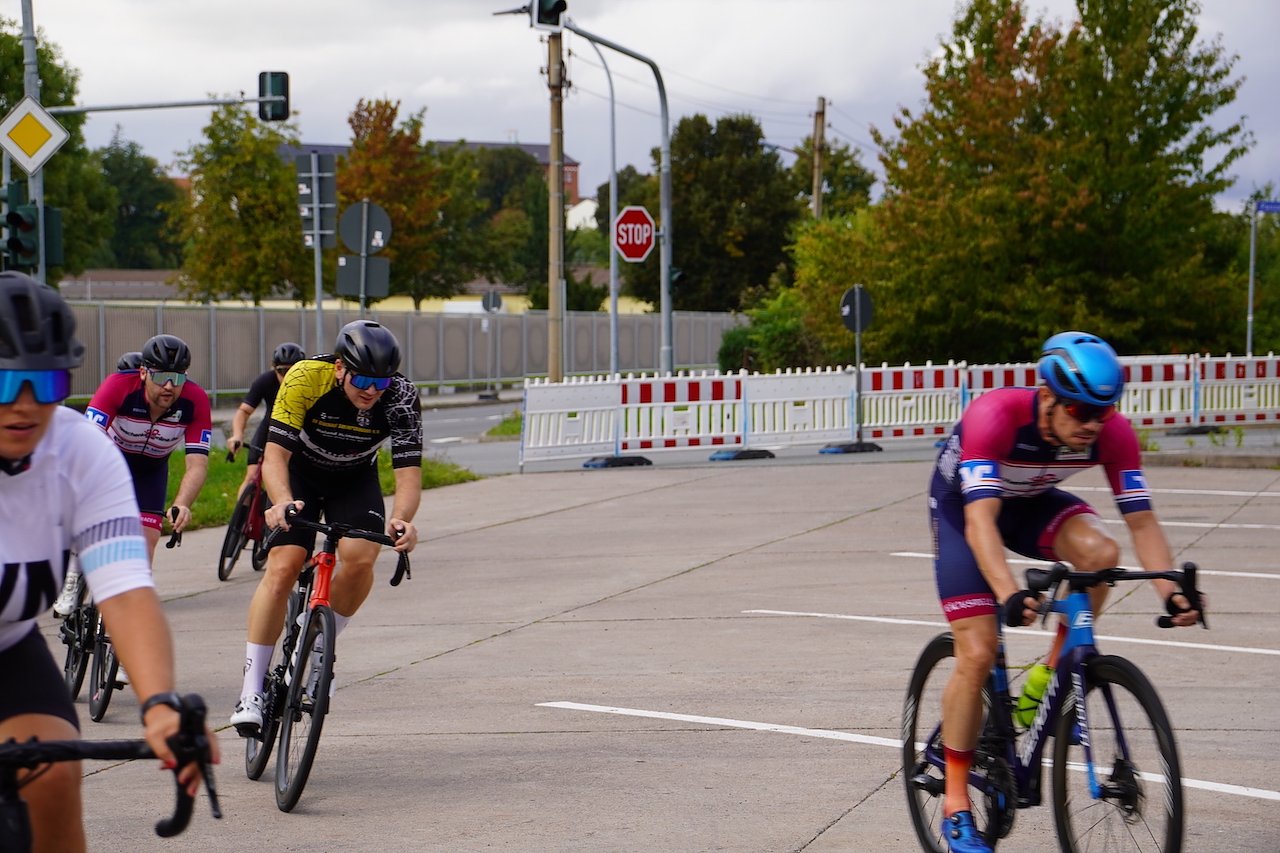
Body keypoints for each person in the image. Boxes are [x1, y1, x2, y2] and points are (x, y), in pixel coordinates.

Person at [927, 331, 1203, 853]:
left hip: (1030, 503)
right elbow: (981, 523)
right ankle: (956, 804)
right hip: (966, 510)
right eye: (1080, 410)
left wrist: (1171, 593)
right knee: (978, 650)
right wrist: (1008, 592)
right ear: (1047, 397)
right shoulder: (995, 417)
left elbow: (1142, 523)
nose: (1092, 425)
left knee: (1100, 555)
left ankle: (1048, 677)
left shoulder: (1113, 434)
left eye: (1104, 411)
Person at [0, 272, 218, 853]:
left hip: (8, 647)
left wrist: (160, 706)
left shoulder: (77, 448)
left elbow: (125, 589)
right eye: (6, 383)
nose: (25, 405)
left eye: (46, 383)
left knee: (53, 777)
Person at [230, 320, 423, 734]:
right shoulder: (305, 377)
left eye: (380, 382)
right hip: (299, 473)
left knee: (361, 557)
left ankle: (320, 647)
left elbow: (408, 474)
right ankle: (251, 690)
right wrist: (281, 501)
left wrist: (403, 519)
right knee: (284, 565)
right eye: (362, 380)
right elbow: (275, 457)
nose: (371, 391)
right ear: (339, 368)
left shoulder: (402, 396)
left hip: (354, 478)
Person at [226, 341, 305, 499]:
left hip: (298, 432)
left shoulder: (308, 384)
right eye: (282, 371)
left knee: (294, 481)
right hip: (270, 429)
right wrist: (237, 435)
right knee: (251, 477)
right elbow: (244, 411)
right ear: (273, 368)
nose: (287, 377)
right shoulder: (265, 381)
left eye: (293, 371)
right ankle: (241, 514)